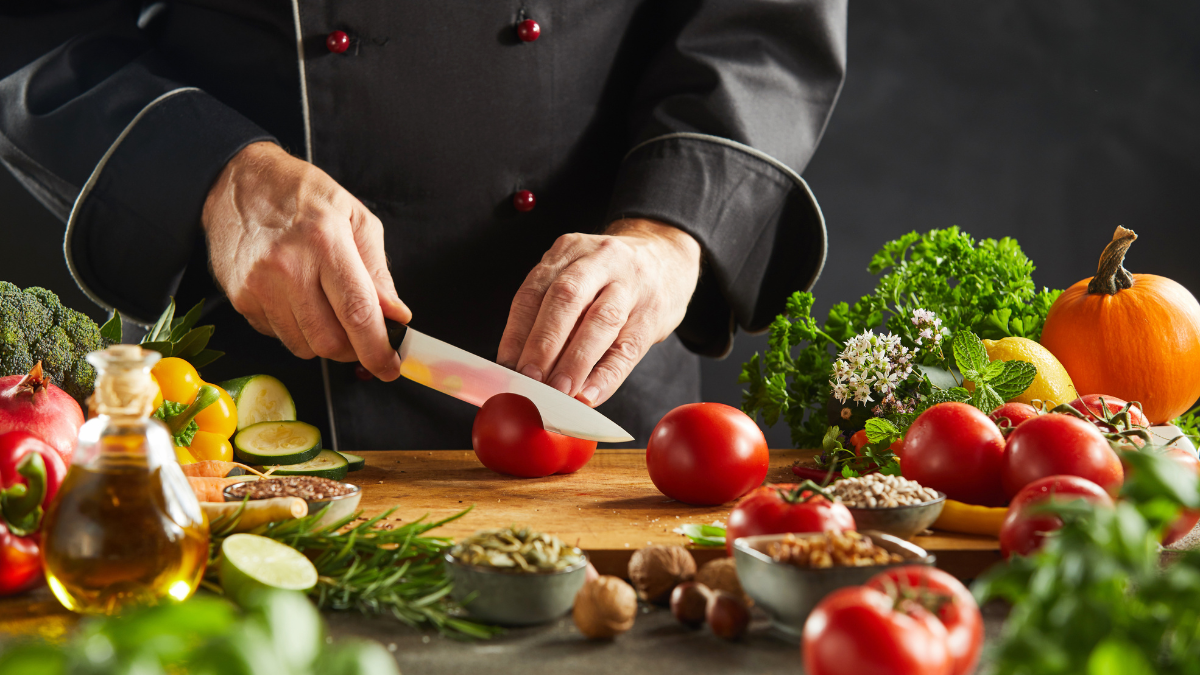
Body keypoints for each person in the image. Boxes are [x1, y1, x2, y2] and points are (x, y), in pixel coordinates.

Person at [0, 1, 846, 450]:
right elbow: (31, 28)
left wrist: (672, 231)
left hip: (594, 367)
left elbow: (760, 20)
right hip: (252, 387)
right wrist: (219, 180)